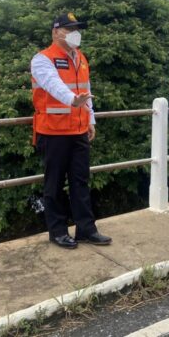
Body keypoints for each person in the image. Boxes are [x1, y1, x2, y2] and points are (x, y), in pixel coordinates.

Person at [31, 12, 111, 249]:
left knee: (80, 181)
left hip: (78, 130)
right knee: (54, 185)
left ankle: (86, 229)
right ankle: (57, 232)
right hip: (53, 132)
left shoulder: (81, 58)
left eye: (77, 29)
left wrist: (90, 119)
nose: (75, 33)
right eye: (69, 29)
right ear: (55, 32)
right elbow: (53, 85)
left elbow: (87, 91)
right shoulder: (42, 59)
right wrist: (72, 100)